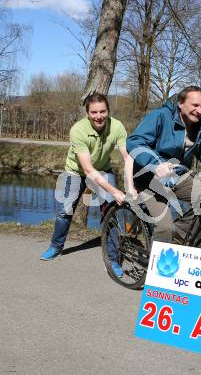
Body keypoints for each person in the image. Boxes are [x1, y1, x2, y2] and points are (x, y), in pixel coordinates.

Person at [40, 93, 137, 278]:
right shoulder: (78, 130)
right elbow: (87, 168)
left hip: (103, 170)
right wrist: (115, 191)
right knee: (65, 211)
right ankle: (55, 246)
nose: (99, 116)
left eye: (103, 111)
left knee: (111, 213)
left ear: (108, 111)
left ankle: (113, 259)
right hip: (76, 171)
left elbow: (128, 157)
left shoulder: (116, 126)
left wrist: (130, 186)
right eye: (94, 112)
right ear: (87, 113)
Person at [126, 85, 201, 244]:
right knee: (165, 228)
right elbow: (135, 142)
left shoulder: (199, 127)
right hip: (150, 179)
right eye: (195, 105)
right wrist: (156, 164)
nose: (199, 110)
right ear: (181, 104)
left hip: (177, 177)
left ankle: (178, 238)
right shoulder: (160, 116)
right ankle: (158, 266)